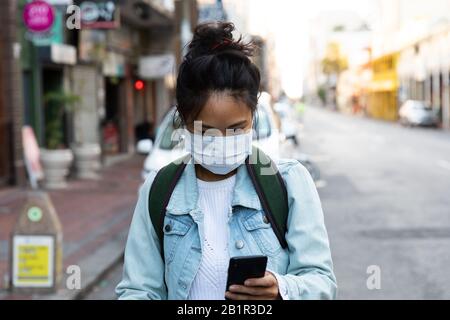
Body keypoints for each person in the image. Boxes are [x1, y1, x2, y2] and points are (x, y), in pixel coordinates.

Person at [116, 22, 337, 300]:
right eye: (206, 131)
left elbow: (322, 282)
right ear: (184, 123)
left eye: (236, 128)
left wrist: (283, 289)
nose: (222, 141)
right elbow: (138, 289)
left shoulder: (289, 182)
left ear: (252, 118)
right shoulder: (160, 190)